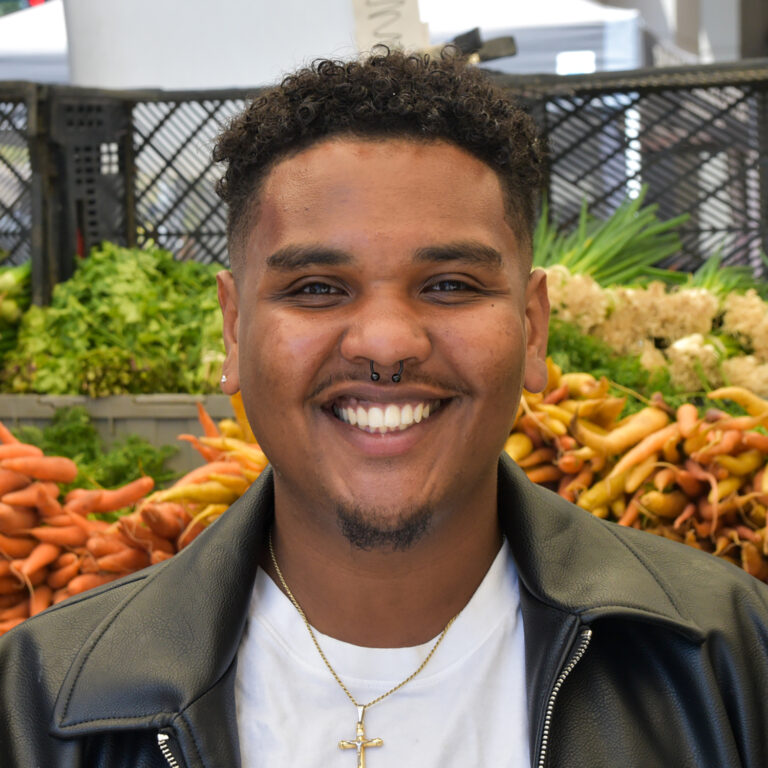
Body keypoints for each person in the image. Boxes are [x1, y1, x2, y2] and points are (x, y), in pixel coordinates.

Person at [1, 49, 767, 768]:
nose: (387, 343)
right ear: (234, 331)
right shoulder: (43, 699)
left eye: (450, 286)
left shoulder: (727, 656)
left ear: (533, 327)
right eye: (316, 290)